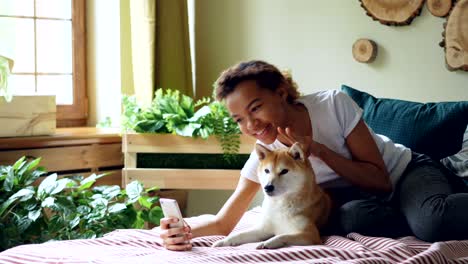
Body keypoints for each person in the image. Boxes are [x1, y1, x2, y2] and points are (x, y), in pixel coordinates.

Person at [159, 60, 468, 251]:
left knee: (433, 222)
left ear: (280, 92)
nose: (251, 125)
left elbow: (381, 181)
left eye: (255, 108)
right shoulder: (266, 160)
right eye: (239, 119)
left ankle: (441, 186)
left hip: (403, 173)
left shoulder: (332, 105)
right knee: (350, 218)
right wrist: (182, 232)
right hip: (366, 202)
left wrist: (318, 150)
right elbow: (224, 222)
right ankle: (414, 212)